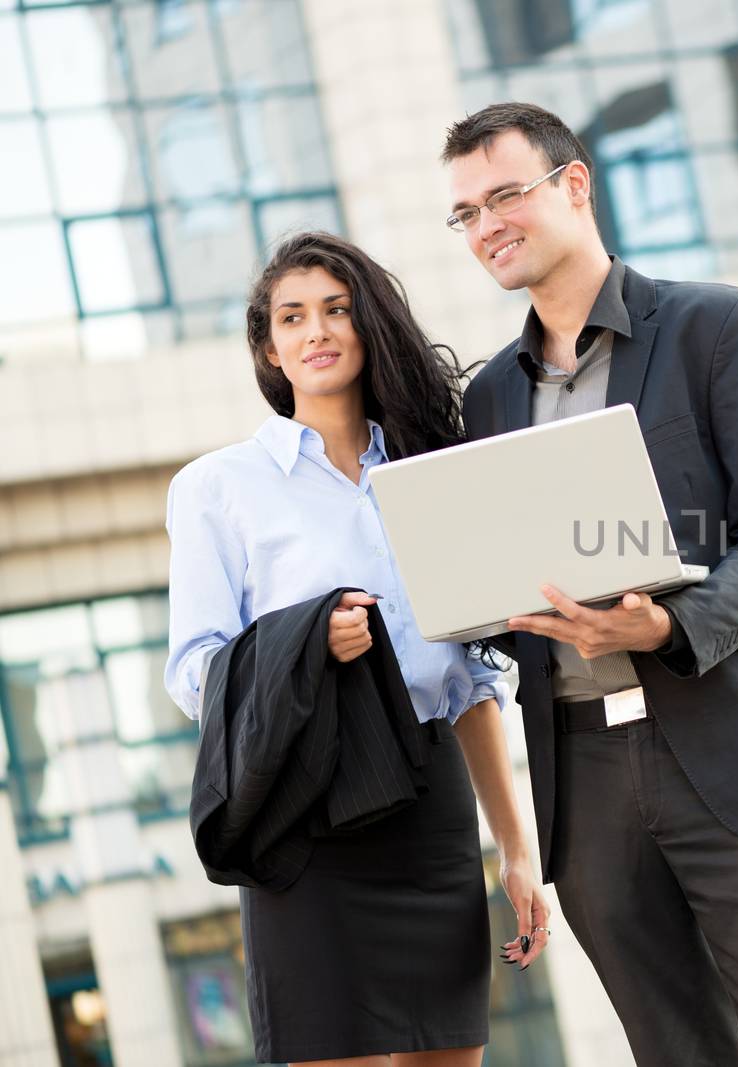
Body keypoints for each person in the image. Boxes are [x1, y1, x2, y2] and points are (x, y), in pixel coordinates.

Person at [441, 102, 738, 1067]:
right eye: (464, 213)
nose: (485, 224)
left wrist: (666, 627)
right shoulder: (487, 396)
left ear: (574, 185)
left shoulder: (717, 326)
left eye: (504, 195)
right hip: (587, 783)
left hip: (729, 746)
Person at [164, 232, 545, 1066]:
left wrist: (516, 849)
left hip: (431, 807)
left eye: (336, 309)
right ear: (269, 347)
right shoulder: (217, 488)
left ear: (368, 325)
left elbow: (469, 678)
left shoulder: (430, 471)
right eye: (292, 317)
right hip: (308, 810)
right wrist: (306, 646)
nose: (317, 331)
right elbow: (195, 670)